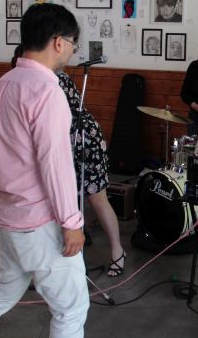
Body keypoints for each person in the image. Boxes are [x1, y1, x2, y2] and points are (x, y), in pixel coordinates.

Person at [0, 4, 88, 338]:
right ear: (58, 42)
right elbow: (56, 165)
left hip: (6, 216)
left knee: (5, 287)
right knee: (71, 310)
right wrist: (71, 223)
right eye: (73, 44)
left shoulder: (5, 82)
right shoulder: (47, 91)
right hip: (38, 222)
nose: (72, 51)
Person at [57, 71, 125, 277]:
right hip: (63, 140)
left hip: (84, 139)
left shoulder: (52, 76)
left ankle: (117, 250)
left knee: (97, 198)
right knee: (66, 196)